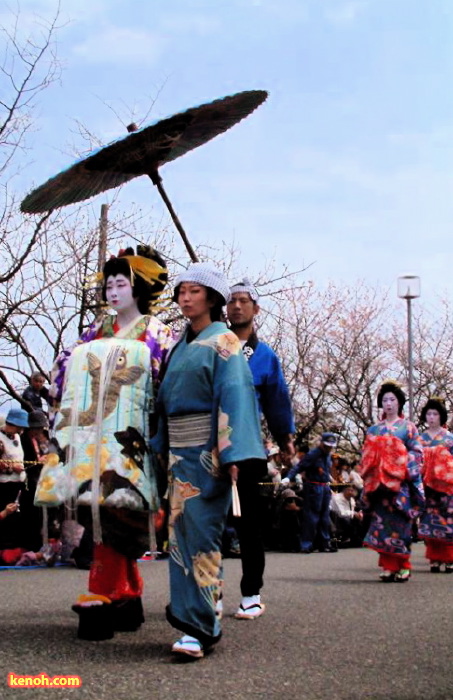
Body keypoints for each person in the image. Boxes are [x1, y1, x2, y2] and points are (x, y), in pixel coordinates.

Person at [34, 244, 172, 640]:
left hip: (133, 434)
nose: (113, 292)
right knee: (100, 508)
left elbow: (164, 380)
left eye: (122, 284)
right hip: (93, 433)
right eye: (109, 285)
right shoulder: (94, 330)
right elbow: (64, 369)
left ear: (139, 288)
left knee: (121, 508)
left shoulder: (158, 332)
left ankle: (111, 592)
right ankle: (124, 592)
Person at [154, 263, 266, 659]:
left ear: (212, 298)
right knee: (179, 537)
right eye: (181, 291)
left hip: (207, 453)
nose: (185, 298)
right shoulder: (178, 345)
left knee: (202, 535)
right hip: (177, 455)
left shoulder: (226, 343)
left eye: (194, 291)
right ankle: (192, 615)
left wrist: (232, 453)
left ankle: (200, 628)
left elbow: (235, 394)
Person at [226, 278, 295, 619]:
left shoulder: (265, 355)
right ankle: (207, 591)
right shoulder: (214, 344)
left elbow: (277, 401)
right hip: (212, 445)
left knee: (249, 523)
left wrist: (286, 440)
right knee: (208, 521)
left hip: (249, 447)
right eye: (231, 301)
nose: (236, 306)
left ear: (256, 309)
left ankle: (251, 592)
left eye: (243, 300)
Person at [359, 380, 425, 582]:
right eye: (385, 399)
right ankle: (388, 566)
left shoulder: (408, 428)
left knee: (400, 524)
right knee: (381, 524)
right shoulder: (373, 430)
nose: (388, 403)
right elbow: (366, 454)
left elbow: (417, 452)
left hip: (400, 483)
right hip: (379, 484)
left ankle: (403, 565)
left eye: (392, 399)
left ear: (400, 403)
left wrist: (400, 465)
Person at [283, 432, 338, 553]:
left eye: (331, 446)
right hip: (313, 487)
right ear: (322, 443)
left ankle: (324, 543)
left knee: (324, 516)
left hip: (325, 487)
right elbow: (299, 467)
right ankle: (306, 544)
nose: (329, 448)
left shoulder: (328, 455)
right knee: (311, 517)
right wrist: (288, 477)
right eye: (327, 445)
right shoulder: (313, 454)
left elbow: (325, 470)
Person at [418, 397, 453, 573]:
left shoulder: (449, 438)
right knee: (430, 521)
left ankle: (449, 558)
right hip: (427, 487)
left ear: (441, 416)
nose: (431, 417)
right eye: (429, 413)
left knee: (447, 520)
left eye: (435, 414)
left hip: (447, 486)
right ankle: (434, 558)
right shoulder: (420, 439)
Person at [0, 408, 29, 555]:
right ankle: (4, 550)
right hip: (4, 484)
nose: (20, 430)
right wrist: (11, 467)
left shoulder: (17, 437)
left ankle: (15, 549)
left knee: (17, 517)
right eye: (19, 426)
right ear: (10, 424)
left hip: (18, 483)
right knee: (7, 516)